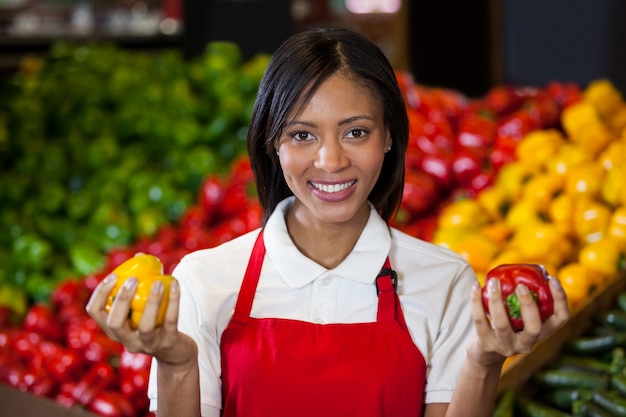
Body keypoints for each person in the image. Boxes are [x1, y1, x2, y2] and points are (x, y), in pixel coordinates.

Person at [86, 27, 570, 417]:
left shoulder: (445, 281)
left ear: (389, 138)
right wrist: (175, 361)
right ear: (272, 145)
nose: (331, 160)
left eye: (356, 131)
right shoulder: (204, 279)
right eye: (301, 135)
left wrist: (485, 361)